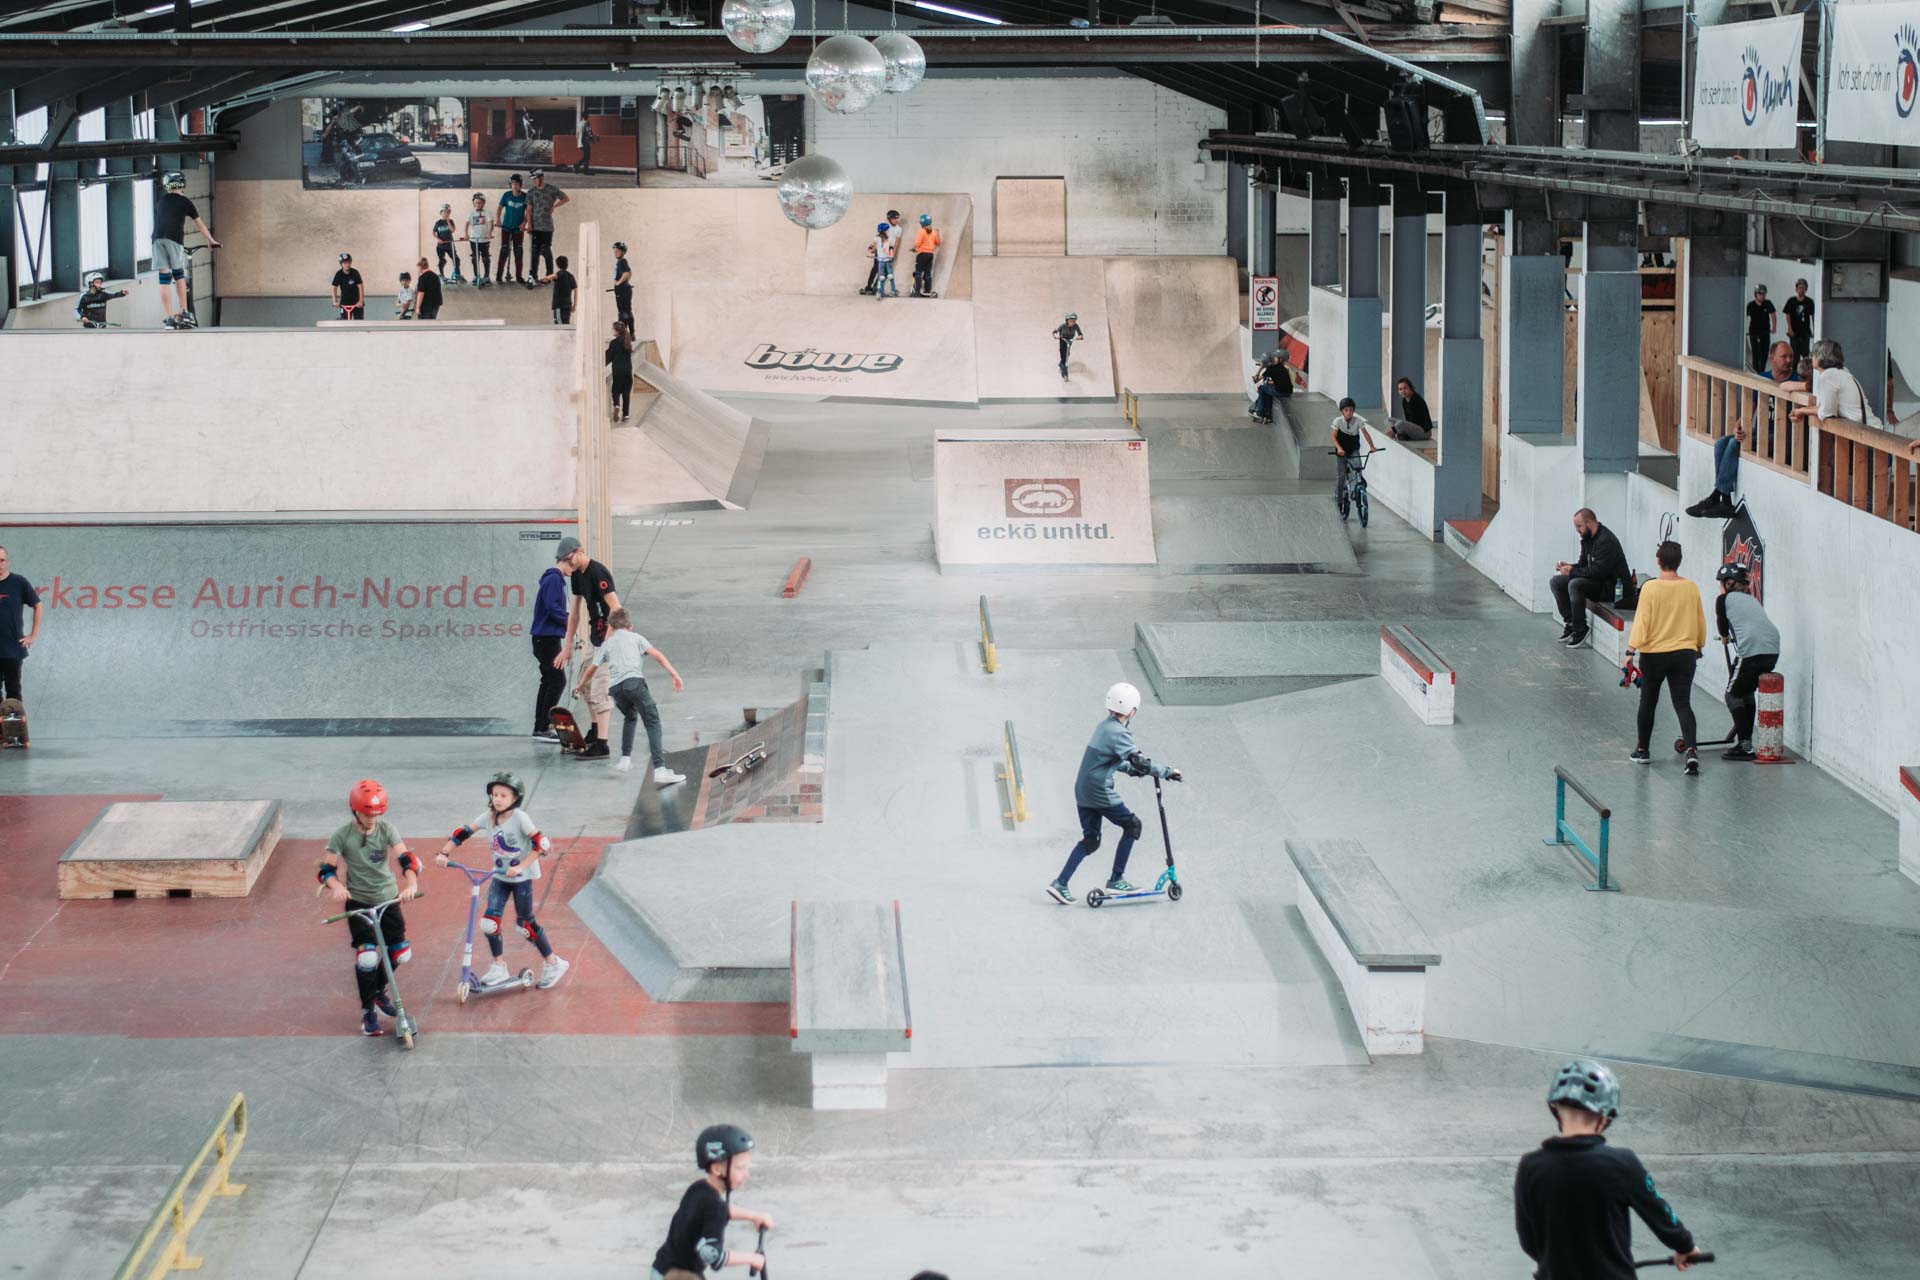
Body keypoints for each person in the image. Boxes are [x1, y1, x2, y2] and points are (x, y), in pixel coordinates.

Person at [1514, 1059, 1704, 1277]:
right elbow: (1659, 1214)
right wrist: (1685, 1246)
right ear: (1605, 1117)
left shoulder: (1530, 1166)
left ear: (1555, 1107)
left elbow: (1527, 1238)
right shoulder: (1622, 1163)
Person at [1046, 682, 1181, 905]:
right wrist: (1167, 772)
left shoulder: (1104, 727)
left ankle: (1060, 883)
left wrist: (1132, 770)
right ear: (1132, 711)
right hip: (1099, 791)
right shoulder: (1119, 733)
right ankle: (1117, 879)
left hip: (1083, 789)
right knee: (1133, 825)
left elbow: (1107, 761)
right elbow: (1140, 761)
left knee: (1091, 840)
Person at [436, 771, 569, 990]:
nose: (498, 799)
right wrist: (444, 853)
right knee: (489, 923)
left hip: (521, 879)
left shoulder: (520, 818)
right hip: (499, 876)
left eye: (504, 795)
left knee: (525, 925)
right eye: (495, 794)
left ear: (515, 799)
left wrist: (520, 867)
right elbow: (464, 832)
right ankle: (499, 966)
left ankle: (553, 962)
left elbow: (541, 844)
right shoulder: (488, 817)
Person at [318, 779, 421, 1038]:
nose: (373, 818)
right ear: (355, 810)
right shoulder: (342, 835)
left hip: (388, 900)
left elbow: (406, 858)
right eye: (367, 814)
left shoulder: (387, 829)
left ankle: (377, 991)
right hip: (360, 903)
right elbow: (326, 870)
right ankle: (368, 1012)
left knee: (401, 954)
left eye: (377, 813)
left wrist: (411, 884)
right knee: (367, 958)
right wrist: (335, 885)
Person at [576, 608, 687, 782]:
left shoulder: (608, 643)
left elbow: (591, 670)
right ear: (630, 626)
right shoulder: (636, 637)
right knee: (652, 721)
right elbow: (657, 655)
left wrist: (580, 685)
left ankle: (625, 759)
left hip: (615, 689)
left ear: (610, 627)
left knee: (630, 716)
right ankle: (659, 769)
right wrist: (674, 674)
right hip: (633, 683)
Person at [648, 1124, 772, 1279]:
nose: (747, 1174)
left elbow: (719, 1210)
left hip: (660, 1270)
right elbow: (712, 1255)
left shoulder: (698, 1189)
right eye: (741, 1168)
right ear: (717, 1169)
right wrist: (752, 1258)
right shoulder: (715, 1208)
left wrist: (753, 1216)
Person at [1626, 540, 1707, 774]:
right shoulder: (1691, 587)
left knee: (1648, 702)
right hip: (1684, 654)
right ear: (1679, 562)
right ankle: (1691, 751)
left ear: (1658, 561)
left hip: (1654, 655)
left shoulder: (1651, 588)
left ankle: (1643, 750)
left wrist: (1631, 650)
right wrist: (1698, 645)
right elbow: (1699, 619)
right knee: (1683, 703)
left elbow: (1642, 621)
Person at [560, 540, 622, 758]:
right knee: (584, 686)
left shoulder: (598, 572)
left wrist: (607, 642)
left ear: (579, 552)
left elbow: (617, 609)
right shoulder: (578, 575)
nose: (569, 564)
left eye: (569, 559)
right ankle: (595, 732)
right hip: (595, 638)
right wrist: (567, 646)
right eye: (564, 562)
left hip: (609, 641)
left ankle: (603, 745)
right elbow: (575, 613)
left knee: (599, 690)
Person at [1714, 564, 1780, 761]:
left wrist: (1724, 636)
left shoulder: (1723, 599)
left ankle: (1745, 746)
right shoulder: (1752, 600)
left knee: (1732, 695)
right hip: (1772, 650)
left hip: (1752, 650)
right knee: (1746, 692)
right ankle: (1746, 742)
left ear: (1729, 583)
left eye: (1721, 583)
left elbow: (1722, 623)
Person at [1550, 508, 1630, 647]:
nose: (1577, 530)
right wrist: (1568, 566)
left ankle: (1580, 629)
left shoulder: (1606, 541)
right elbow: (1582, 565)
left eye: (1579, 526)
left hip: (1612, 587)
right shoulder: (1587, 539)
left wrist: (1572, 571)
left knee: (1575, 585)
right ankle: (1571, 623)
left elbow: (1599, 572)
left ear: (1590, 523)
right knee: (1556, 581)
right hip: (1597, 581)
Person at [152, 170, 219, 330]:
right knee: (178, 275)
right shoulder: (186, 202)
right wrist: (211, 241)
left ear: (167, 186)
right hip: (174, 238)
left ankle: (168, 317)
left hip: (156, 239)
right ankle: (184, 311)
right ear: (183, 185)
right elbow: (200, 225)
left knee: (164, 278)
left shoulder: (161, 201)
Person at [531, 541, 571, 740]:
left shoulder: (554, 580)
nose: (573, 569)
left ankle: (541, 726)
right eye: (571, 565)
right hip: (546, 639)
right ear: (564, 560)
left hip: (545, 639)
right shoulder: (554, 579)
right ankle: (544, 726)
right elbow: (551, 606)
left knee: (549, 681)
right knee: (557, 680)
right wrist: (568, 621)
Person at [1791, 338, 1876, 428]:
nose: (1812, 358)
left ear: (1821, 357)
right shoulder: (1841, 372)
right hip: (1870, 428)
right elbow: (1824, 407)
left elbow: (1826, 412)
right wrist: (1800, 411)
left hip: (1867, 433)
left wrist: (1802, 411)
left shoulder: (1828, 375)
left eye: (1814, 354)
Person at [0, 546, 42, 709]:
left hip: (13, 649)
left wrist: (33, 635)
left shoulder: (19, 582)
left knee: (13, 692)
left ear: (7, 562)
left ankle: (14, 731)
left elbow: (38, 605)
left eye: (2, 560)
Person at [1685, 416, 1746, 519]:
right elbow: (1747, 412)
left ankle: (1715, 496)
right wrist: (1738, 427)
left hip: (1772, 438)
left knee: (1732, 443)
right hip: (1755, 435)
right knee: (1720, 443)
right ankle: (1725, 501)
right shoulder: (1761, 399)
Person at [523, 169, 570, 285]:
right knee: (534, 252)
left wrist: (554, 206)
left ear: (541, 178)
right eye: (533, 179)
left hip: (547, 226)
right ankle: (533, 276)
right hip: (535, 226)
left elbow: (565, 198)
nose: (534, 181)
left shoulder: (551, 189)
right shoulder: (531, 192)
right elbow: (528, 210)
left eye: (536, 179)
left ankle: (549, 277)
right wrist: (529, 224)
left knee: (546, 251)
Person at [1329, 397, 1379, 508]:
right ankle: (1340, 497)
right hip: (1341, 451)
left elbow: (1365, 434)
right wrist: (1339, 449)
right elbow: (1333, 437)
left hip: (1353, 449)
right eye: (1346, 410)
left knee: (1358, 468)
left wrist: (1372, 446)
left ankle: (1354, 491)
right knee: (1341, 475)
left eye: (1351, 410)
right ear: (1342, 411)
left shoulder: (1358, 421)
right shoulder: (1338, 421)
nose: (1349, 413)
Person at [495, 174, 529, 285]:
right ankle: (499, 276)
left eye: (517, 184)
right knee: (504, 250)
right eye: (513, 184)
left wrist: (524, 223)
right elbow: (499, 208)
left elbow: (528, 212)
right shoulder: (506, 195)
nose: (515, 186)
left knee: (518, 252)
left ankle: (519, 276)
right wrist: (498, 220)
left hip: (518, 228)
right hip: (506, 227)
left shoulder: (525, 196)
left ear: (520, 185)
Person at [862, 209, 902, 294]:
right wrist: (872, 248)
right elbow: (878, 237)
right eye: (894, 219)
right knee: (876, 269)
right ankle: (868, 287)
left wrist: (893, 254)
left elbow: (897, 242)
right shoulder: (885, 226)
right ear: (889, 219)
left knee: (886, 272)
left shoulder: (899, 229)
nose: (896, 220)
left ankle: (876, 287)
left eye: (897, 219)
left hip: (889, 252)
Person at [461, 193, 494, 289]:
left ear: (483, 203)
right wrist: (466, 234)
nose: (478, 204)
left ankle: (486, 276)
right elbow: (466, 224)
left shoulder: (487, 213)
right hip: (474, 239)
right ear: (473, 204)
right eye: (476, 203)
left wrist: (490, 233)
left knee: (485, 258)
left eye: (480, 203)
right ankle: (476, 276)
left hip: (484, 240)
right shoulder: (471, 213)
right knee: (475, 258)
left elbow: (491, 222)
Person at [1249, 350, 1291, 423]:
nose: (1274, 359)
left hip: (1281, 391)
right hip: (1287, 391)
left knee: (1262, 388)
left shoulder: (1273, 368)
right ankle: (1267, 415)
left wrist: (1261, 367)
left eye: (1275, 358)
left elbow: (1257, 379)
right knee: (1267, 391)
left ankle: (1259, 412)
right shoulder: (1279, 367)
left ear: (1280, 359)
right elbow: (1258, 379)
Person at [1390, 375, 1434, 442]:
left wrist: (1395, 429)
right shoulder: (1404, 401)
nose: (1403, 391)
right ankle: (1401, 436)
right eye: (1400, 389)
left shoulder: (1416, 400)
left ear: (1410, 388)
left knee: (1400, 424)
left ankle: (1400, 435)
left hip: (1424, 432)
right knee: (1389, 420)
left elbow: (1415, 421)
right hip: (1414, 429)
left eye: (1405, 388)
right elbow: (1408, 419)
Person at [607, 321, 635, 422]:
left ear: (617, 331)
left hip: (618, 372)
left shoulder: (613, 343)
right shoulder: (627, 341)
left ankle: (616, 405)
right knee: (626, 394)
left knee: (615, 391)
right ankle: (626, 415)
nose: (612, 330)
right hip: (627, 371)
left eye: (613, 329)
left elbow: (608, 358)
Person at [1745, 283, 1776, 375]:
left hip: (1765, 332)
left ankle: (1762, 370)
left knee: (1764, 352)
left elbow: (1773, 315)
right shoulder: (1750, 305)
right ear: (1756, 294)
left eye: (1763, 294)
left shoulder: (1768, 303)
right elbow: (1744, 317)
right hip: (1754, 332)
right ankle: (1755, 370)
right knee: (1755, 352)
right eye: (1760, 294)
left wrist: (1774, 327)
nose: (1762, 296)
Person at [1783, 277, 1815, 364]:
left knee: (1805, 354)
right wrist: (1789, 328)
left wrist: (1815, 329)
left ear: (1806, 289)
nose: (1801, 290)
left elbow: (1813, 316)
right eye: (1799, 288)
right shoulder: (1791, 301)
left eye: (1803, 288)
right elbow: (1787, 314)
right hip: (1794, 332)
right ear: (1796, 289)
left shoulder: (1809, 301)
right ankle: (1794, 373)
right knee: (1794, 354)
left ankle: (1805, 373)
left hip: (1805, 332)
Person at [430, 202, 462, 285]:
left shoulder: (451, 221)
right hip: (441, 246)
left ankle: (457, 274)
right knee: (442, 260)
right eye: (444, 212)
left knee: (456, 259)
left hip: (450, 245)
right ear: (441, 213)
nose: (446, 213)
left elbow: (453, 230)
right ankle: (441, 275)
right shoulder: (438, 222)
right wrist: (438, 239)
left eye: (448, 212)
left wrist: (448, 220)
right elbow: (433, 233)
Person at [910, 212, 940, 298]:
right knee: (928, 273)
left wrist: (914, 248)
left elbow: (917, 243)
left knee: (918, 273)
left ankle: (917, 292)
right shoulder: (933, 232)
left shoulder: (922, 231)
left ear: (922, 223)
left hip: (922, 254)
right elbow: (938, 242)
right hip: (930, 255)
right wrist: (938, 234)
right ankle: (927, 291)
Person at [867, 221, 900, 300]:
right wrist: (869, 252)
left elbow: (891, 247)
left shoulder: (889, 238)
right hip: (881, 260)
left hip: (887, 260)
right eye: (887, 230)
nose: (888, 231)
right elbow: (872, 246)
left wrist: (891, 254)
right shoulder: (877, 239)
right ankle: (880, 291)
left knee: (890, 276)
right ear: (883, 231)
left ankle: (894, 290)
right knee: (881, 277)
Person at [543, 255, 578, 325]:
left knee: (559, 326)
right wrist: (574, 305)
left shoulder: (560, 274)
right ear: (567, 264)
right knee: (566, 324)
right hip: (568, 306)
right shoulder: (571, 276)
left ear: (557, 265)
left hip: (559, 306)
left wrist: (546, 278)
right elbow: (576, 291)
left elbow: (549, 277)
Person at [330, 252, 365, 320]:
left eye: (349, 262)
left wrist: (361, 301)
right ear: (341, 264)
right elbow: (334, 288)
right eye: (345, 263)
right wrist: (335, 301)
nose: (347, 265)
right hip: (345, 302)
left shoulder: (355, 273)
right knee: (345, 322)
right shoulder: (339, 274)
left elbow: (360, 287)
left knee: (359, 322)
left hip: (356, 302)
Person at [611, 240, 634, 332]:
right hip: (624, 288)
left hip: (622, 290)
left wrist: (618, 283)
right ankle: (631, 332)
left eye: (617, 251)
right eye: (615, 251)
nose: (615, 253)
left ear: (623, 252)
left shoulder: (622, 262)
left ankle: (623, 332)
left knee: (623, 312)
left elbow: (627, 273)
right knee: (627, 311)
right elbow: (630, 272)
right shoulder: (621, 262)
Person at [1054, 312, 1083, 380]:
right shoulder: (1063, 325)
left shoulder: (1076, 326)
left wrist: (1080, 336)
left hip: (1070, 340)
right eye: (1071, 321)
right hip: (1063, 339)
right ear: (1067, 321)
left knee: (1067, 353)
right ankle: (1063, 368)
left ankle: (1062, 364)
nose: (1072, 322)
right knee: (1062, 352)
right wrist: (1055, 335)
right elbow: (1056, 331)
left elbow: (1080, 333)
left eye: (1074, 321)